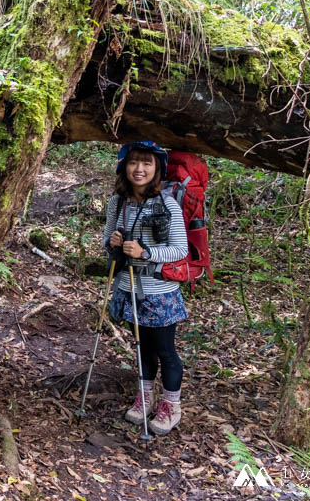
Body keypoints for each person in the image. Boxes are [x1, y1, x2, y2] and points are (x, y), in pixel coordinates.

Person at [103, 141, 189, 435]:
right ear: (123, 166)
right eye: (133, 163)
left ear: (157, 170)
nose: (139, 169)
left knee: (165, 351)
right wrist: (113, 243)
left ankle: (170, 406)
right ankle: (145, 397)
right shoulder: (117, 202)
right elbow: (105, 242)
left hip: (159, 291)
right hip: (127, 287)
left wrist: (146, 253)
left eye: (147, 164)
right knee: (142, 350)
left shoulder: (166, 204)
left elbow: (179, 250)